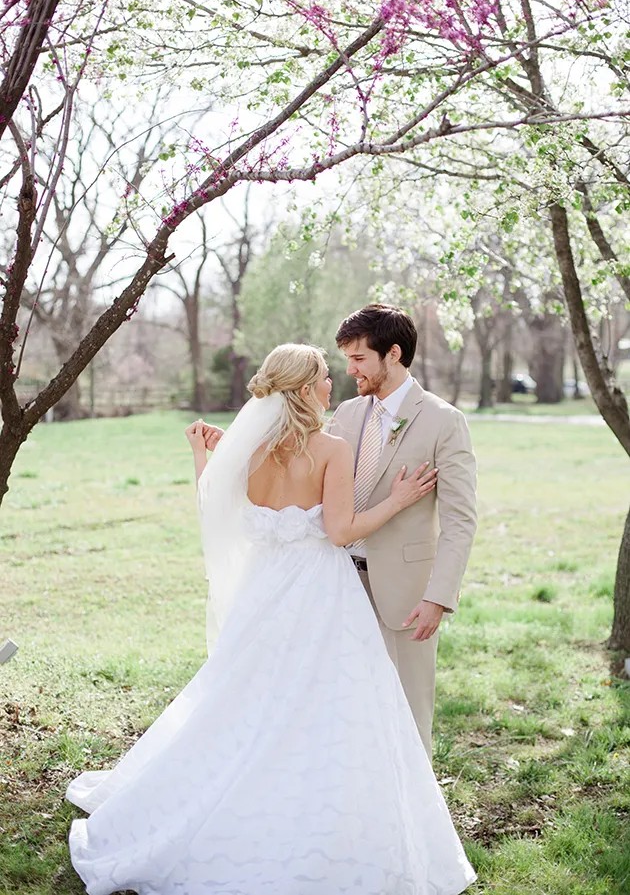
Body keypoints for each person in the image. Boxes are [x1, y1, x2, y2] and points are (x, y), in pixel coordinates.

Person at [65, 343, 476, 895]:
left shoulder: (250, 448)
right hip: (321, 593)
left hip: (265, 594)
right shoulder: (329, 449)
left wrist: (201, 455)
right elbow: (341, 532)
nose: (334, 384)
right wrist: (399, 499)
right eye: (326, 377)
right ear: (306, 389)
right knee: (327, 702)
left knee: (249, 697)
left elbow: (215, 503)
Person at [328, 304, 477, 756]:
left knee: (409, 712)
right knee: (346, 707)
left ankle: (417, 819)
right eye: (347, 359)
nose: (349, 369)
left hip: (407, 592)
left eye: (359, 359)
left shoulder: (443, 420)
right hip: (336, 581)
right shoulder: (347, 414)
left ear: (393, 354)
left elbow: (460, 519)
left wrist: (439, 596)